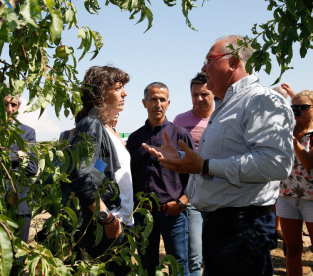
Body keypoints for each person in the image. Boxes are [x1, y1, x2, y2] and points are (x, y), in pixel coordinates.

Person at [142, 35, 294, 275]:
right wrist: (183, 159)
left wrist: (204, 166)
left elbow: (275, 164)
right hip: (221, 228)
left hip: (243, 230)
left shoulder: (262, 100)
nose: (203, 68)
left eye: (208, 60)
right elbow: (218, 159)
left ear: (233, 61)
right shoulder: (227, 105)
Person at [68, 65, 133, 275]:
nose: (125, 93)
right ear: (100, 93)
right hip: (106, 225)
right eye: (118, 88)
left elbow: (99, 172)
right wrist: (106, 217)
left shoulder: (106, 128)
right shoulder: (91, 124)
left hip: (118, 221)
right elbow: (80, 175)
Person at [126, 82, 194, 276]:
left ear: (169, 103)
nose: (158, 104)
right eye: (153, 99)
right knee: (146, 265)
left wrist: (182, 202)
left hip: (173, 213)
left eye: (162, 99)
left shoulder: (181, 136)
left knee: (179, 265)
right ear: (144, 103)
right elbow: (129, 175)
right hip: (143, 215)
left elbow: (194, 175)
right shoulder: (135, 139)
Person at [0, 93, 38, 274]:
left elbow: (31, 167)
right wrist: (18, 155)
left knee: (18, 251)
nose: (9, 109)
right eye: (5, 104)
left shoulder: (27, 132)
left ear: (18, 107)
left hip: (20, 198)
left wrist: (0, 156)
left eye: (13, 104)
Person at [173, 72, 214, 276]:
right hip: (192, 197)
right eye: (194, 94)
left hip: (219, 195)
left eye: (204, 94)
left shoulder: (221, 119)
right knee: (194, 256)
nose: (199, 99)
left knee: (216, 255)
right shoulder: (180, 120)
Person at [277, 90, 313, 276]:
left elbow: (309, 162)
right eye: (294, 107)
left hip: (311, 199)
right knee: (292, 249)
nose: (298, 111)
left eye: (304, 107)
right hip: (286, 196)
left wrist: (293, 142)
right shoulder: (285, 131)